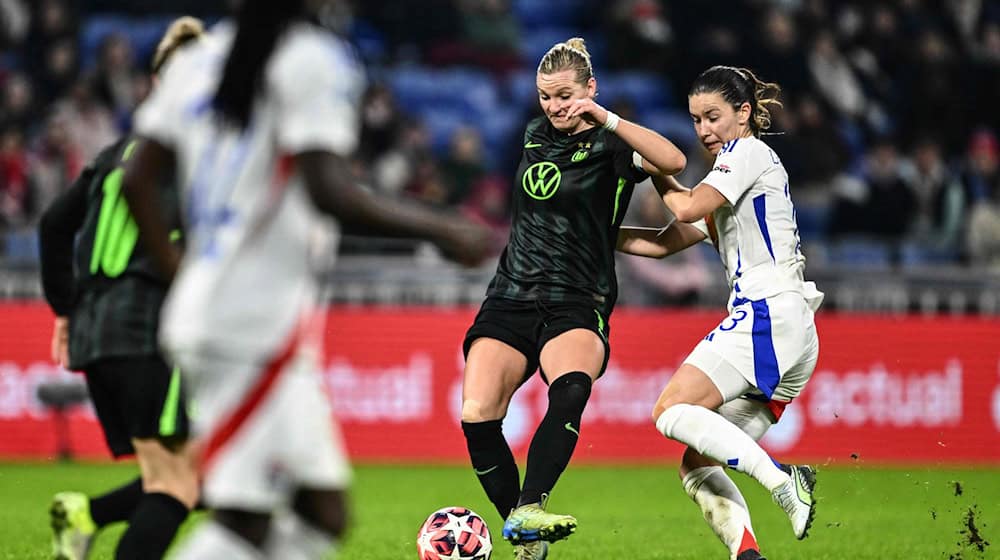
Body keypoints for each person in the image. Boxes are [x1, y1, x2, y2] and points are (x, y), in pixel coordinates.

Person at [120, 2, 492, 559]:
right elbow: (330, 189)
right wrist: (442, 228)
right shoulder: (310, 60)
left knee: (322, 512)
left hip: (234, 317)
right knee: (243, 519)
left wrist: (186, 276)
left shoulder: (196, 60)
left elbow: (136, 179)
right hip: (251, 323)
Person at [460, 37, 686, 559]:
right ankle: (524, 531)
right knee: (476, 415)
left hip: (577, 298)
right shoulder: (534, 133)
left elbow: (672, 158)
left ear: (591, 89)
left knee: (569, 388)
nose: (555, 107)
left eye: (565, 96)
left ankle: (532, 503)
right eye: (545, 96)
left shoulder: (614, 145)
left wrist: (606, 119)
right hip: (510, 294)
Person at [617, 66, 822, 560]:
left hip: (768, 312)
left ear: (744, 114)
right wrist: (596, 237)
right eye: (696, 120)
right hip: (794, 331)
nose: (704, 130)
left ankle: (783, 479)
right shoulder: (730, 182)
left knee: (669, 411)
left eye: (713, 117)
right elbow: (666, 242)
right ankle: (746, 554)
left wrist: (654, 167)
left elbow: (684, 207)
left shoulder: (746, 154)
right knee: (696, 462)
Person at [37, 17, 206, 560]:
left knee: (191, 472)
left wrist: (66, 310)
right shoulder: (196, 153)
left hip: (96, 330)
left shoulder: (115, 155)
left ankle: (86, 516)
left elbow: (51, 226)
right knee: (181, 485)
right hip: (148, 327)